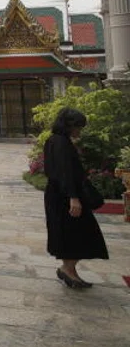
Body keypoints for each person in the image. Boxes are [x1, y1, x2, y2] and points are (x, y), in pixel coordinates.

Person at [43, 107, 108, 288]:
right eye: (78, 126)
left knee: (73, 233)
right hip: (64, 196)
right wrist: (73, 197)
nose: (79, 130)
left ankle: (69, 269)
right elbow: (64, 172)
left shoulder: (55, 141)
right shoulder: (60, 143)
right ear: (69, 125)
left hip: (59, 193)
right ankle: (68, 269)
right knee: (77, 233)